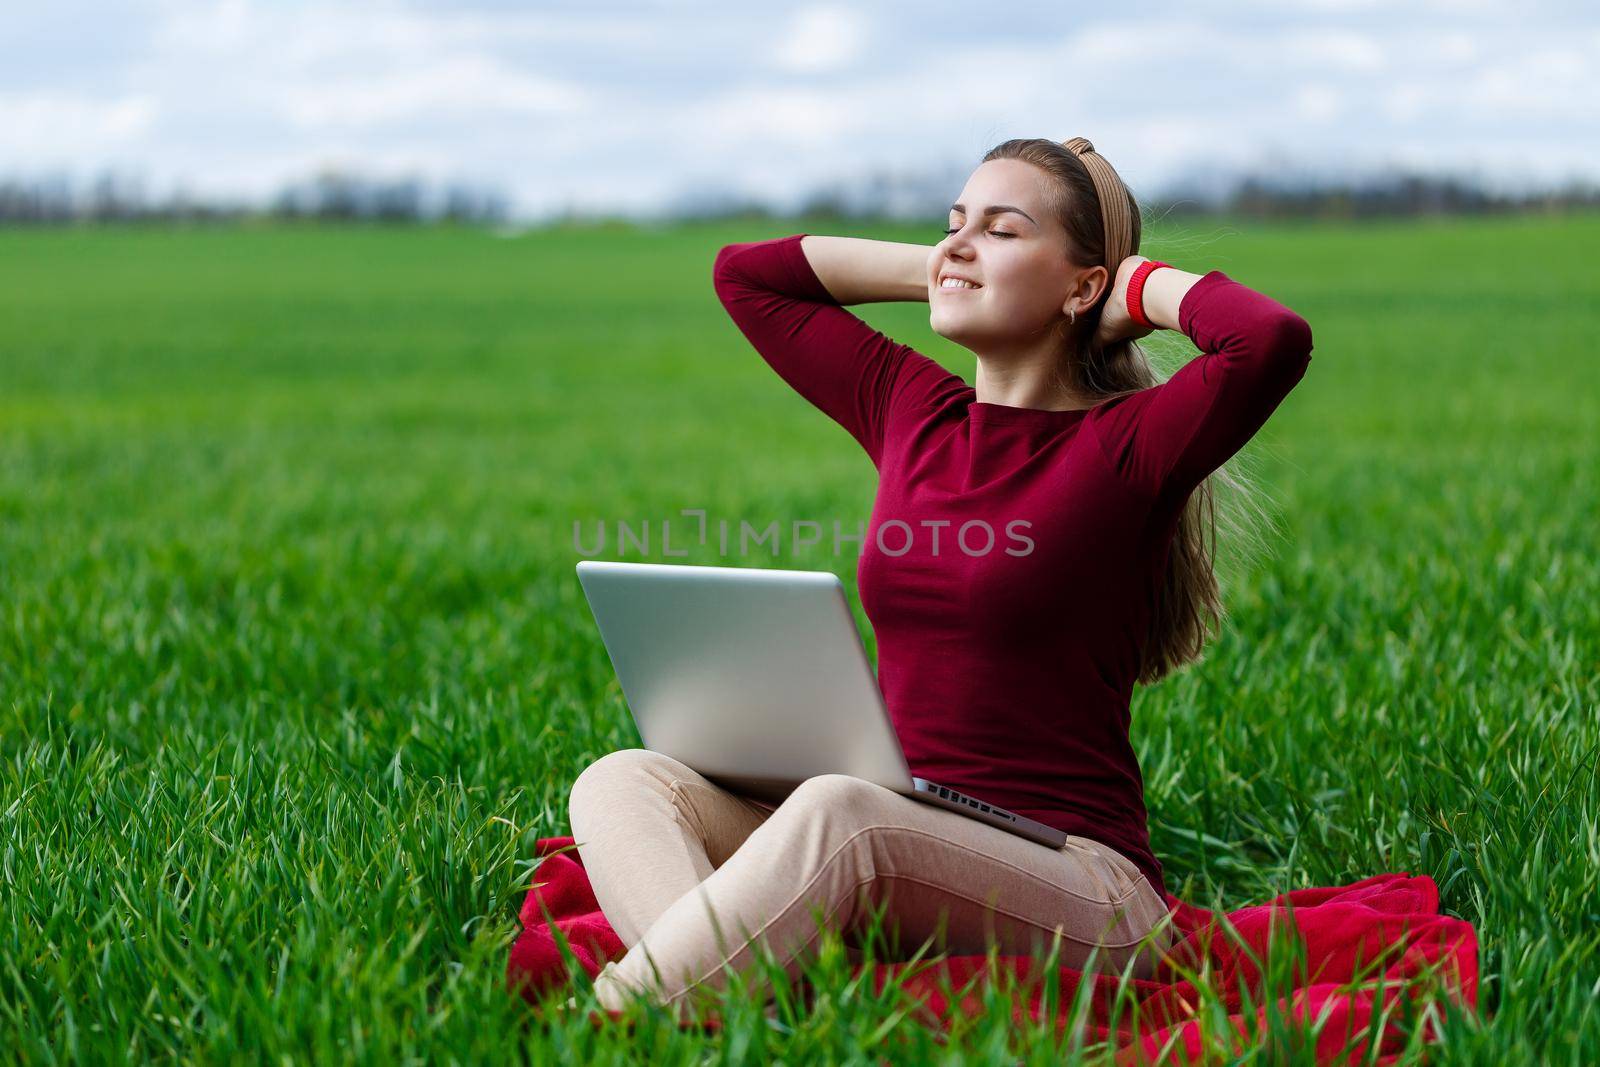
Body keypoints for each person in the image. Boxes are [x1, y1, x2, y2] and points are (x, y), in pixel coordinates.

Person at [566, 136, 1315, 1015]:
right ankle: (733, 1003)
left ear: (1083, 285)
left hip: (1081, 886)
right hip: (894, 829)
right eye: (952, 223)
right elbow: (748, 277)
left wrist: (1136, 289)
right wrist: (952, 267)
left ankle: (618, 1018)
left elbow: (1268, 339)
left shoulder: (1127, 448)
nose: (957, 244)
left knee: (844, 815)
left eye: (1002, 230)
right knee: (623, 778)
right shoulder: (914, 410)